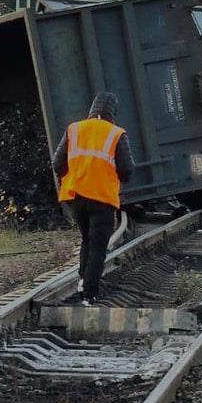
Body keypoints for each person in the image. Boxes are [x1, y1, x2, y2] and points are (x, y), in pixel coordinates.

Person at [51, 91, 136, 305]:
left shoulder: (74, 129)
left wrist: (73, 177)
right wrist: (115, 179)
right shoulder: (116, 134)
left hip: (75, 197)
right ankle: (89, 294)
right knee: (98, 246)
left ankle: (83, 281)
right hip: (102, 198)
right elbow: (127, 169)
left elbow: (57, 164)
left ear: (92, 109)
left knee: (87, 239)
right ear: (112, 112)